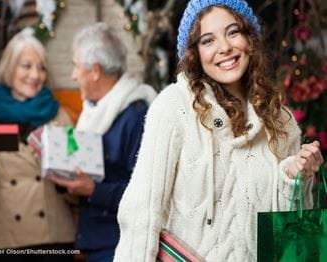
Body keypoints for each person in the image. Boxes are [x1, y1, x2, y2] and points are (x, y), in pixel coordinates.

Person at [113, 0, 324, 261]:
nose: (224, 47)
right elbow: (141, 212)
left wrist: (294, 180)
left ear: (250, 38)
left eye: (233, 32)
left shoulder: (281, 119)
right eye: (208, 40)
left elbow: (286, 236)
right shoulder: (173, 108)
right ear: (194, 53)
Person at [50, 22, 156, 262]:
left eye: (76, 66)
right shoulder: (91, 114)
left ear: (95, 70)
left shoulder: (136, 117)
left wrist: (93, 190)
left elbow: (147, 194)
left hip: (121, 247)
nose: (73, 75)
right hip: (94, 243)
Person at [0, 31, 76, 262]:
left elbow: (77, 192)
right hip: (4, 243)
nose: (35, 75)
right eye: (26, 66)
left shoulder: (61, 118)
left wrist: (59, 167)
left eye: (41, 67)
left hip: (55, 242)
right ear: (9, 69)